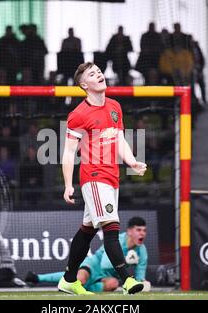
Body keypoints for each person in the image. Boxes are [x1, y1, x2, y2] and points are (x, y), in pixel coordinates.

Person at [59, 62, 147, 295]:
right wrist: (68, 185)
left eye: (99, 71)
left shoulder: (114, 106)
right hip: (93, 177)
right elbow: (68, 152)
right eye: (92, 74)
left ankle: (68, 279)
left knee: (88, 228)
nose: (98, 74)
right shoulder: (78, 115)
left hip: (112, 177)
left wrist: (132, 161)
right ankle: (128, 280)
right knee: (111, 225)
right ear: (84, 85)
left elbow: (119, 140)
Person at [25, 217, 149, 293]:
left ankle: (81, 288)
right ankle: (38, 278)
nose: (142, 234)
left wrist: (142, 283)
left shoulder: (142, 251)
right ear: (129, 231)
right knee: (80, 278)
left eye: (144, 230)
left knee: (113, 284)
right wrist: (126, 261)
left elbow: (139, 277)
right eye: (138, 230)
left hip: (105, 277)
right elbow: (105, 264)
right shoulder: (116, 240)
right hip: (93, 266)